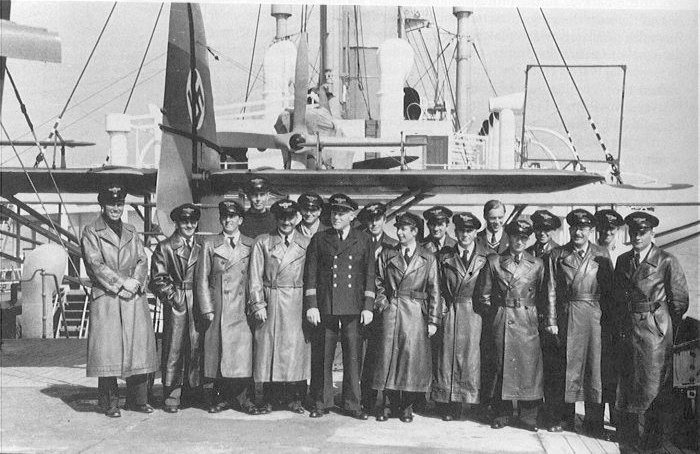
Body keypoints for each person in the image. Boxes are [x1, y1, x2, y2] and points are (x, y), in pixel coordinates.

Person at [81, 185, 158, 418]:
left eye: (119, 204)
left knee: (137, 349)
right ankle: (109, 403)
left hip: (133, 296)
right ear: (102, 205)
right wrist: (122, 282)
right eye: (111, 204)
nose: (116, 208)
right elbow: (95, 265)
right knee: (109, 354)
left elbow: (142, 259)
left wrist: (136, 281)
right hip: (107, 296)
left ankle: (137, 400)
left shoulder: (132, 231)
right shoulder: (91, 231)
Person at [613, 212, 689, 450]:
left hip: (653, 335)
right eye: (633, 232)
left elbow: (679, 302)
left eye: (642, 232)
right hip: (628, 329)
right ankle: (628, 440)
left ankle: (653, 442)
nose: (636, 236)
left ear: (652, 233)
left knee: (653, 386)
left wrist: (660, 325)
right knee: (628, 386)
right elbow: (617, 295)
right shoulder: (623, 260)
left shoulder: (666, 261)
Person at [304, 193, 376, 420]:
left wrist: (368, 306)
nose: (336, 216)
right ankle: (320, 402)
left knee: (353, 358)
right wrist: (312, 305)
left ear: (352, 216)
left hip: (353, 308)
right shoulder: (319, 239)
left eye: (342, 213)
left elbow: (369, 276)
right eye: (334, 212)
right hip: (326, 306)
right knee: (322, 356)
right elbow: (311, 275)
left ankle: (353, 404)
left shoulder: (363, 240)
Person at [543, 209, 614, 436]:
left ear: (590, 230)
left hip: (595, 317)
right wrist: (552, 320)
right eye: (574, 228)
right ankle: (565, 419)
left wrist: (610, 323)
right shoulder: (557, 254)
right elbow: (551, 290)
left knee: (594, 369)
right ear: (569, 229)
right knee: (566, 367)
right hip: (567, 316)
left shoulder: (601, 254)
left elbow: (610, 291)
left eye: (583, 228)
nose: (578, 232)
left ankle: (594, 423)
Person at [475, 219, 544, 432]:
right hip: (503, 318)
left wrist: (534, 317)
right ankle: (501, 413)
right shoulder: (495, 261)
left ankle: (528, 416)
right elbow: (483, 296)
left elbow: (541, 295)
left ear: (528, 239)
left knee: (528, 368)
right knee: (500, 366)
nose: (519, 241)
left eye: (524, 237)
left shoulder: (537, 264)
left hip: (527, 321)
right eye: (516, 236)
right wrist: (498, 315)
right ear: (509, 237)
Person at [372, 212, 440, 423]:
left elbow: (434, 290)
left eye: (404, 229)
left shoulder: (428, 257)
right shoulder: (386, 254)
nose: (399, 232)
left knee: (410, 360)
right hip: (392, 310)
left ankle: (406, 406)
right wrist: (382, 304)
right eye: (398, 228)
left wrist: (433, 320)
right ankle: (388, 404)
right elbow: (378, 283)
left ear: (415, 232)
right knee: (388, 358)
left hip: (415, 313)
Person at [196, 201, 260, 415]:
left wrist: (256, 304)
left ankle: (244, 399)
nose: (228, 220)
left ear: (240, 220)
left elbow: (255, 277)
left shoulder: (251, 244)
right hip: (219, 306)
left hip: (242, 307)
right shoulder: (210, 243)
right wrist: (207, 308)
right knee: (220, 353)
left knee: (241, 354)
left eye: (233, 217)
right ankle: (221, 398)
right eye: (225, 216)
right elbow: (202, 279)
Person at [248, 199, 311, 414]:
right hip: (272, 298)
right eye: (281, 217)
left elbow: (311, 278)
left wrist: (311, 305)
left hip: (296, 300)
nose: (286, 221)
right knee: (268, 350)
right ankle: (268, 398)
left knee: (294, 350)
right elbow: (255, 276)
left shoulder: (307, 242)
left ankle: (295, 398)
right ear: (275, 218)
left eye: (290, 217)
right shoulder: (263, 242)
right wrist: (258, 304)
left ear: (297, 218)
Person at [432, 212, 490, 422]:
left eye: (469, 231)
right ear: (455, 232)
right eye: (461, 231)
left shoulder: (486, 258)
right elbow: (436, 288)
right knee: (447, 359)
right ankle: (450, 405)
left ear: (476, 233)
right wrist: (441, 312)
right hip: (451, 310)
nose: (465, 235)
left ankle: (473, 403)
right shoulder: (444, 257)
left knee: (473, 359)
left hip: (475, 314)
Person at [149, 203, 205, 413]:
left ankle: (193, 391)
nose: (189, 225)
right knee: (174, 349)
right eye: (184, 221)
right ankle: (172, 393)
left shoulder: (203, 246)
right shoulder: (165, 247)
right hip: (178, 303)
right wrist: (175, 298)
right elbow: (158, 279)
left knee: (196, 347)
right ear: (177, 223)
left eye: (192, 221)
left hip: (198, 301)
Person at [357, 202, 398, 414]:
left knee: (383, 354)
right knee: (363, 354)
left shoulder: (393, 245)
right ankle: (365, 399)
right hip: (360, 306)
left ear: (384, 220)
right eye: (370, 219)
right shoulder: (358, 240)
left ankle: (386, 401)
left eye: (378, 219)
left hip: (383, 308)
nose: (374, 223)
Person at [593, 208, 626, 429]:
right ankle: (594, 421)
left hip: (619, 324)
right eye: (603, 228)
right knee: (597, 372)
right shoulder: (591, 253)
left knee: (617, 373)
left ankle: (616, 419)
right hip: (595, 321)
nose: (607, 233)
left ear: (617, 231)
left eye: (611, 229)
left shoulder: (623, 256)